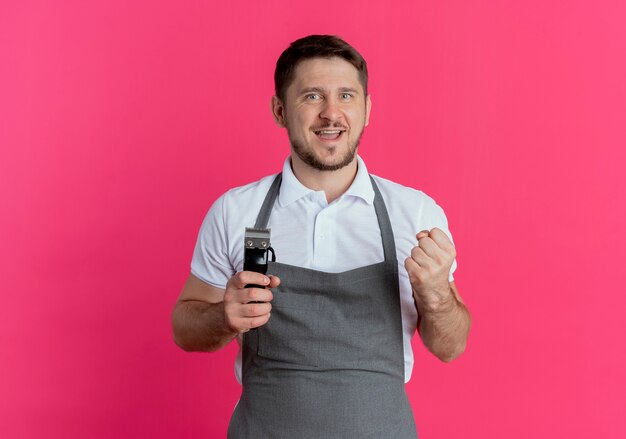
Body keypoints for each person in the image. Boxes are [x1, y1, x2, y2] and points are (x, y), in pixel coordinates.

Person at [171, 34, 471, 438]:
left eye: (346, 96)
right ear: (280, 110)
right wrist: (223, 317)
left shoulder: (414, 214)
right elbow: (185, 330)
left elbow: (450, 347)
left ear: (366, 110)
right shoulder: (237, 211)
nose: (332, 113)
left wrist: (436, 294)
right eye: (312, 97)